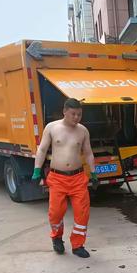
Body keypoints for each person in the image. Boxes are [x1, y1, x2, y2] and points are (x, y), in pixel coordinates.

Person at [31, 98, 99, 258]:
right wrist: (36, 170)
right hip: (57, 178)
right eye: (73, 114)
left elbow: (88, 153)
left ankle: (78, 245)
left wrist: (93, 173)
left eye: (79, 114)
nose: (76, 117)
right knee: (55, 213)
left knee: (82, 213)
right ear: (65, 112)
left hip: (78, 178)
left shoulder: (83, 131)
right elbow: (41, 150)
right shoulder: (52, 128)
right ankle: (57, 238)